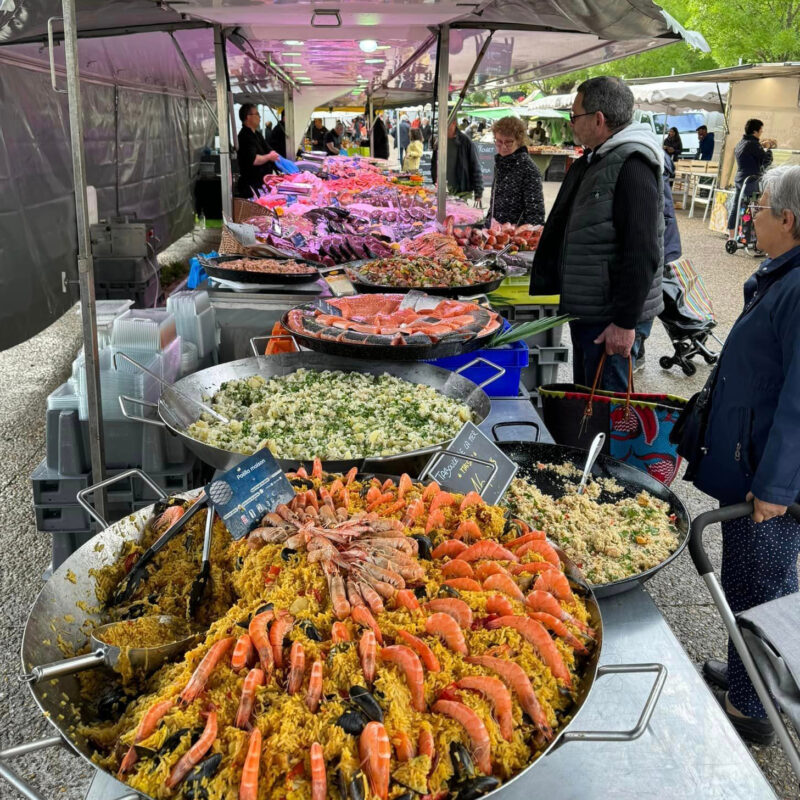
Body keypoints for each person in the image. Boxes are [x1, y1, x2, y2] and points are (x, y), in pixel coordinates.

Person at [687, 164, 800, 745]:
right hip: (751, 458)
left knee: (764, 583)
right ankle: (743, 671)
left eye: (757, 207)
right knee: (745, 577)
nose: (748, 216)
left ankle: (755, 707)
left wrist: (778, 487)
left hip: (768, 476)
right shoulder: (782, 273)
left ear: (788, 219)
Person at [530, 76, 664, 392]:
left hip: (610, 319)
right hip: (591, 309)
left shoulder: (632, 162)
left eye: (574, 116)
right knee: (587, 400)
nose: (571, 123)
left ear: (599, 119)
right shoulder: (598, 158)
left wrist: (624, 322)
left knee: (606, 408)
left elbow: (642, 249)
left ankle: (602, 445)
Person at [633, 151, 683, 371]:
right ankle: (639, 348)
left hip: (657, 242)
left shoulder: (644, 161)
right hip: (663, 241)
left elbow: (658, 215)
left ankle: (638, 348)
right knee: (650, 290)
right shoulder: (655, 155)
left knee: (648, 291)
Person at [487, 116, 545, 226]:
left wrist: (525, 238)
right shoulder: (501, 163)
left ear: (519, 141)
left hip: (515, 237)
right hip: (497, 234)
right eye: (499, 141)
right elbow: (495, 201)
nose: (503, 147)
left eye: (508, 142)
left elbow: (536, 212)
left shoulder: (529, 169)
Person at [728, 119, 776, 240]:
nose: (761, 132)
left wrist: (762, 146)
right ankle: (751, 237)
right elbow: (767, 160)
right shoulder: (752, 144)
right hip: (751, 181)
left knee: (736, 207)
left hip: (740, 179)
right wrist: (768, 148)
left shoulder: (741, 142)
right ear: (755, 131)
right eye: (761, 130)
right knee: (755, 207)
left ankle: (731, 236)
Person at [431, 120, 484, 205]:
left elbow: (475, 166)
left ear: (454, 123)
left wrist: (479, 191)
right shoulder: (439, 141)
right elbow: (434, 163)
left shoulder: (466, 141)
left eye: (447, 124)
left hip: (461, 190)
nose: (444, 127)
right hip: (443, 189)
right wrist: (434, 180)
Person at [236, 103, 279, 197]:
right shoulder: (244, 136)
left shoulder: (257, 134)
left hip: (261, 184)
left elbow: (269, 149)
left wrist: (273, 154)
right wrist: (269, 157)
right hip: (251, 186)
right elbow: (254, 160)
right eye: (257, 114)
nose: (259, 117)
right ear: (248, 117)